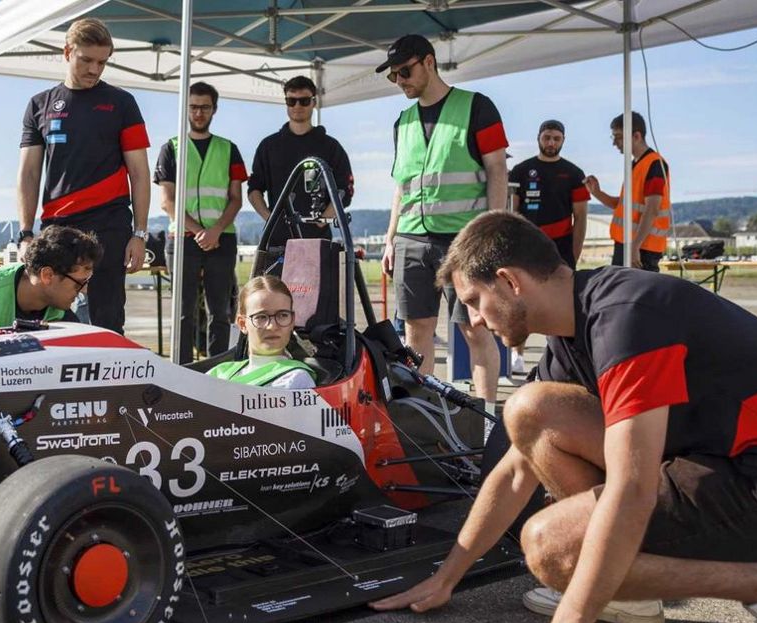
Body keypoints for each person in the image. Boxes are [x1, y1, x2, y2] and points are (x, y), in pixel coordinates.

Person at [372, 210, 757, 623]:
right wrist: (448, 575)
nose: (474, 320)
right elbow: (515, 470)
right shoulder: (575, 324)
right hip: (719, 462)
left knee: (551, 549)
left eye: (474, 303)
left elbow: (632, 489)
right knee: (531, 412)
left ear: (509, 281)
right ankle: (626, 590)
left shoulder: (627, 317)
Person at [377, 35, 507, 403]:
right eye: (393, 76)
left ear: (429, 63)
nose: (399, 80)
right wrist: (390, 239)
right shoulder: (402, 122)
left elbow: (497, 170)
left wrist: (492, 235)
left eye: (404, 71)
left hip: (464, 242)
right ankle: (424, 418)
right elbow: (401, 186)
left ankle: (484, 424)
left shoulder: (477, 107)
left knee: (474, 331)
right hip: (411, 240)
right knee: (416, 333)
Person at [16, 17, 150, 336]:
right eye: (86, 60)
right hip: (57, 228)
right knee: (50, 318)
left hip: (109, 223)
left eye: (102, 62)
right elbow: (29, 173)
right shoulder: (39, 105)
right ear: (67, 52)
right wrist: (24, 232)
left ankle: (110, 386)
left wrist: (140, 234)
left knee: (106, 318)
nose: (94, 70)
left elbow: (140, 173)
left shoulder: (122, 103)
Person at [154, 81, 248, 364]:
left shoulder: (228, 149)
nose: (198, 113)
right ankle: (180, 370)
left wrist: (216, 231)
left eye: (205, 107)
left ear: (214, 110)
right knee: (183, 312)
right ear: (186, 109)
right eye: (193, 107)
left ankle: (218, 368)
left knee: (220, 311)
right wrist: (200, 232)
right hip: (183, 239)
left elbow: (236, 198)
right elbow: (167, 201)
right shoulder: (171, 148)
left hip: (222, 238)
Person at [508, 119, 588, 372]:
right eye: (547, 137)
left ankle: (557, 358)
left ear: (563, 140)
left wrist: (574, 252)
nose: (551, 143)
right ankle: (516, 354)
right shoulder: (521, 171)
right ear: (539, 138)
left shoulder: (574, 174)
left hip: (561, 247)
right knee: (520, 297)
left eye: (556, 138)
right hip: (527, 245)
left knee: (560, 302)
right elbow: (512, 211)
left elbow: (581, 216)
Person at [247, 76, 354, 251]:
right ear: (286, 103)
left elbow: (345, 190)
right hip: (277, 243)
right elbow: (254, 189)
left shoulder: (330, 147)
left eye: (304, 101)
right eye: (291, 101)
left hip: (318, 243)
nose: (297, 106)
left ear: (314, 102)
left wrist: (321, 222)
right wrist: (269, 218)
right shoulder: (269, 146)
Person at [585, 112, 670, 272]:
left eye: (618, 137)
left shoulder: (654, 164)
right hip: (628, 243)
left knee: (637, 295)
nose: (615, 143)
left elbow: (652, 209)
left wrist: (635, 246)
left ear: (636, 136)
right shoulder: (635, 164)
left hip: (642, 247)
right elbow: (623, 204)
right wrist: (596, 192)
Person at [207, 276, 317, 389]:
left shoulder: (296, 379)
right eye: (261, 317)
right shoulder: (218, 373)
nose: (272, 326)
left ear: (292, 321)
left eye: (283, 315)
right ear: (243, 324)